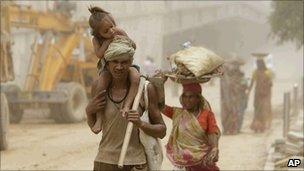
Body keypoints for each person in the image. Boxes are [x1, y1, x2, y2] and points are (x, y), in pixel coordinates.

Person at [86, 37, 166, 171]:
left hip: (135, 164)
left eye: (124, 62)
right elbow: (95, 128)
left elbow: (162, 131)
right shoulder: (99, 87)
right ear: (107, 62)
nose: (119, 67)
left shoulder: (145, 89)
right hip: (104, 162)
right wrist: (89, 111)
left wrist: (141, 124)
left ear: (131, 62)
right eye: (115, 62)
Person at [88, 6, 140, 134]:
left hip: (125, 64)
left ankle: (127, 105)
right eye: (106, 31)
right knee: (100, 85)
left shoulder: (118, 31)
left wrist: (123, 39)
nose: (111, 31)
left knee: (135, 77)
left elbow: (133, 46)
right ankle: (100, 118)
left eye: (112, 26)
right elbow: (99, 54)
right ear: (97, 33)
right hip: (107, 67)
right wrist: (106, 43)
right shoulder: (96, 40)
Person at [160, 77, 220, 171]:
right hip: (182, 164)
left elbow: (212, 133)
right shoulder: (177, 113)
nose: (187, 100)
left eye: (191, 97)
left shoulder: (207, 114)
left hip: (202, 162)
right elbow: (159, 105)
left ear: (198, 99)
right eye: (184, 96)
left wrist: (215, 148)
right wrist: (161, 83)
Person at [220, 58, 248, 134]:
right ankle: (228, 129)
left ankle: (234, 129)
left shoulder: (240, 76)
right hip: (227, 100)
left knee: (236, 114)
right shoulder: (224, 78)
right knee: (227, 114)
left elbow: (244, 86)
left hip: (236, 99)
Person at [247, 55, 273, 133]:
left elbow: (252, 82)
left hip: (261, 94)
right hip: (261, 95)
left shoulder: (263, 72)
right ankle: (260, 126)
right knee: (259, 110)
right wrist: (249, 90)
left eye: (258, 63)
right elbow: (270, 84)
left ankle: (259, 126)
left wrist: (249, 90)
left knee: (259, 110)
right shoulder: (265, 72)